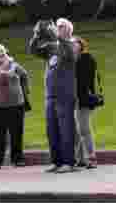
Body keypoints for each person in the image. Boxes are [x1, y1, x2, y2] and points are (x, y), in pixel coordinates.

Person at [27, 18, 80, 173]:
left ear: (69, 29)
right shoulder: (52, 47)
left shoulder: (73, 44)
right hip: (51, 95)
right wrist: (36, 35)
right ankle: (56, 162)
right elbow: (34, 50)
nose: (57, 28)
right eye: (56, 26)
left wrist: (58, 37)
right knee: (52, 130)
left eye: (61, 26)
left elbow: (70, 54)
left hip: (65, 94)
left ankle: (69, 163)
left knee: (66, 129)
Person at [0, 44, 30, 168]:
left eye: (2, 53)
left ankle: (17, 159)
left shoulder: (13, 64)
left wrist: (25, 90)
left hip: (16, 103)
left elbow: (24, 74)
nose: (0, 55)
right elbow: (0, 78)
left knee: (17, 132)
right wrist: (11, 69)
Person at [74, 36, 99, 169]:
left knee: (84, 128)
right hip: (74, 99)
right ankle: (80, 158)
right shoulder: (73, 60)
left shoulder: (86, 59)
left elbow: (83, 79)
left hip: (84, 99)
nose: (72, 46)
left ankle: (91, 157)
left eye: (75, 44)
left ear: (81, 46)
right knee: (77, 130)